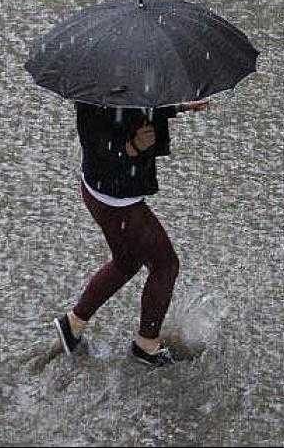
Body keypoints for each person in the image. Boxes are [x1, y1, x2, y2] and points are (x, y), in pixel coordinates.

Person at [53, 98, 209, 367]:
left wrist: (178, 106)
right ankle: (146, 344)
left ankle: (74, 324)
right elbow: (98, 144)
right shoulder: (96, 96)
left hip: (104, 191)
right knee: (165, 265)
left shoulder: (119, 83)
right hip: (116, 200)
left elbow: (137, 105)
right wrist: (132, 147)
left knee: (126, 262)